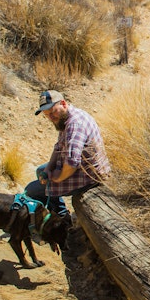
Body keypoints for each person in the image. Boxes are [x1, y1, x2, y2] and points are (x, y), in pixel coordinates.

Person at [32, 89, 111, 217]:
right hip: (81, 166)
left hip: (90, 175)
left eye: (53, 112)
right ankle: (61, 213)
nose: (51, 118)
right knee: (41, 171)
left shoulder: (75, 124)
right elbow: (58, 148)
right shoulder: (64, 118)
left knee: (33, 191)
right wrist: (47, 170)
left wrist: (57, 178)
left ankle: (61, 218)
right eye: (46, 115)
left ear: (63, 103)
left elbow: (72, 164)